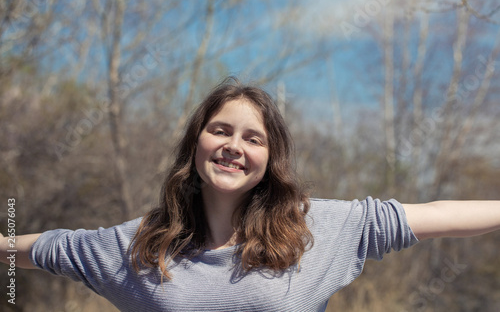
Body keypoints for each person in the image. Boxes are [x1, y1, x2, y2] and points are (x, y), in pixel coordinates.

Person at [1, 77, 499, 311]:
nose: (233, 147)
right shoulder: (139, 246)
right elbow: (42, 248)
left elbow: (436, 214)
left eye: (253, 138)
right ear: (196, 144)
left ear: (268, 161)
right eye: (220, 131)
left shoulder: (313, 229)